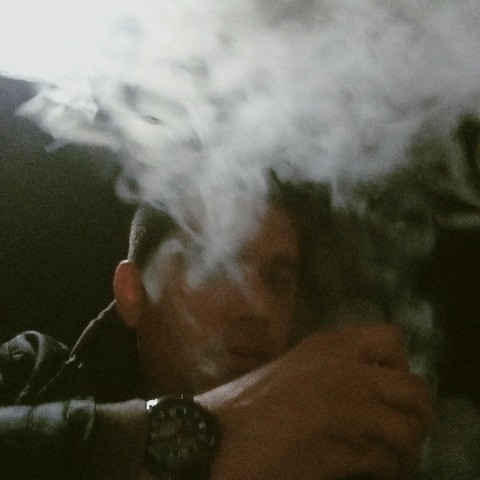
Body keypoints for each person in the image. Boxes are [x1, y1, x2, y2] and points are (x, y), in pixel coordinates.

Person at [0, 179, 435, 480]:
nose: (259, 307)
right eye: (217, 266)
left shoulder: (324, 458)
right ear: (132, 293)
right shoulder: (32, 375)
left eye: (279, 280)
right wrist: (204, 434)